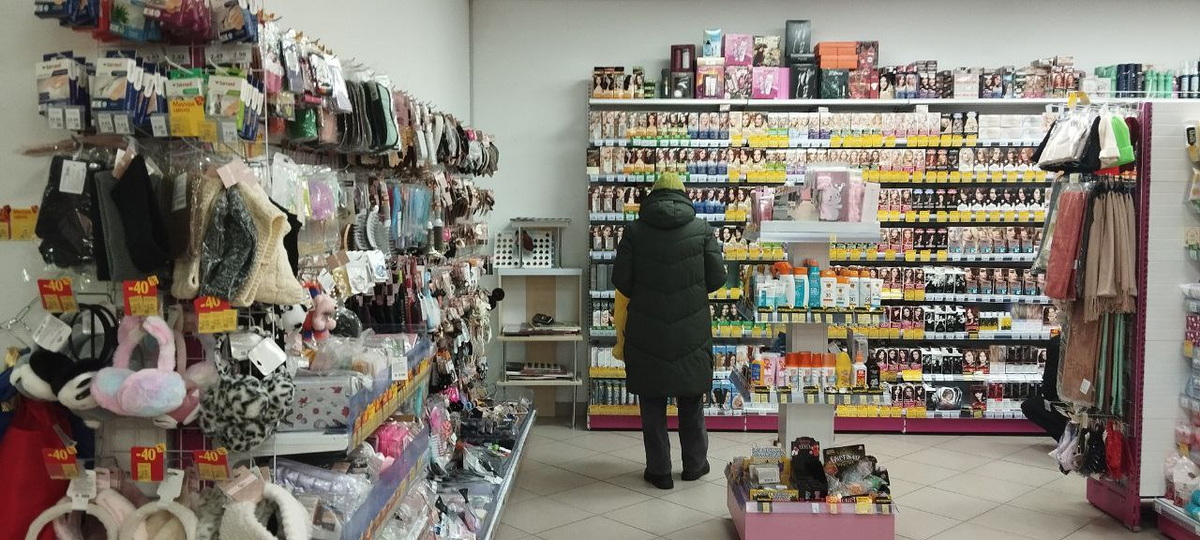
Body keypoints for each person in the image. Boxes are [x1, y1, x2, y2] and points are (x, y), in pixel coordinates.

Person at [612, 172, 727, 490]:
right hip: (691, 331)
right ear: (684, 196)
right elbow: (717, 278)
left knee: (652, 403)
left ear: (653, 196)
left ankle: (659, 470)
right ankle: (694, 465)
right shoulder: (702, 230)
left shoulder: (634, 231)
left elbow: (621, 280)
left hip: (647, 330)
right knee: (691, 400)